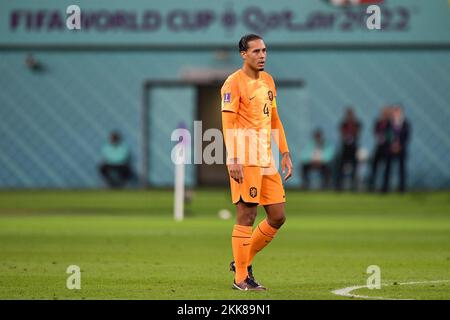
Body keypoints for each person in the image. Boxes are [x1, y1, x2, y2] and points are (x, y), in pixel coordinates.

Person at [221, 34, 293, 291]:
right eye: (256, 51)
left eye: (264, 51)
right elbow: (228, 124)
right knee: (247, 214)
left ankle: (242, 261)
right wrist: (233, 158)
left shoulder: (269, 81)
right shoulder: (233, 83)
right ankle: (241, 277)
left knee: (278, 216)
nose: (262, 55)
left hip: (267, 159)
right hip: (245, 158)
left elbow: (274, 119)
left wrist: (284, 152)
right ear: (243, 54)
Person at [382, 105, 410, 193]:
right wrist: (392, 144)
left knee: (401, 170)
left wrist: (400, 145)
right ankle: (385, 189)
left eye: (398, 111)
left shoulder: (406, 123)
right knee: (387, 169)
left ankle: (402, 189)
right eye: (395, 111)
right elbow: (387, 135)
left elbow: (407, 137)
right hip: (390, 149)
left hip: (401, 150)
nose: (396, 113)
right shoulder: (389, 123)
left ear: (401, 112)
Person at [335, 107, 362, 191]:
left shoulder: (357, 123)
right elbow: (342, 133)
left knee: (354, 168)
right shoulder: (344, 124)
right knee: (341, 168)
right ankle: (339, 186)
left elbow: (357, 133)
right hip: (345, 148)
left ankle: (354, 187)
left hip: (353, 148)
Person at [368, 107, 392, 191]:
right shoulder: (378, 122)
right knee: (374, 167)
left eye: (385, 112)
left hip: (387, 149)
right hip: (378, 147)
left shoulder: (391, 123)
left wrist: (386, 137)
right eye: (382, 112)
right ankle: (371, 186)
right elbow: (375, 131)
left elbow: (391, 134)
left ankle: (385, 187)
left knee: (387, 169)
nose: (383, 114)